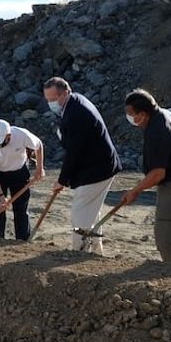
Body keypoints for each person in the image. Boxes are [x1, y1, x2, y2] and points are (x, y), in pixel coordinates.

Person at [43, 77, 122, 254]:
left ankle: (79, 251)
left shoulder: (77, 113)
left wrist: (61, 180)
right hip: (97, 164)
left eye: (53, 99)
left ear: (65, 93)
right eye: (48, 100)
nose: (50, 103)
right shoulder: (73, 103)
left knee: (80, 212)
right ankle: (96, 250)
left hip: (98, 168)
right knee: (90, 211)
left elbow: (74, 152)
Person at [122, 89, 171, 263]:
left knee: (166, 238)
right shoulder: (164, 114)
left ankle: (170, 275)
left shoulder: (157, 130)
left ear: (143, 114)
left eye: (131, 114)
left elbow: (158, 173)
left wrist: (135, 190)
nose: (129, 118)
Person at [0, 119, 45, 240]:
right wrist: (1, 196)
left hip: (19, 172)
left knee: (21, 207)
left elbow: (38, 145)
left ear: (8, 136)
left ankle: (23, 239)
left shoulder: (21, 135)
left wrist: (39, 168)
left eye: (0, 142)